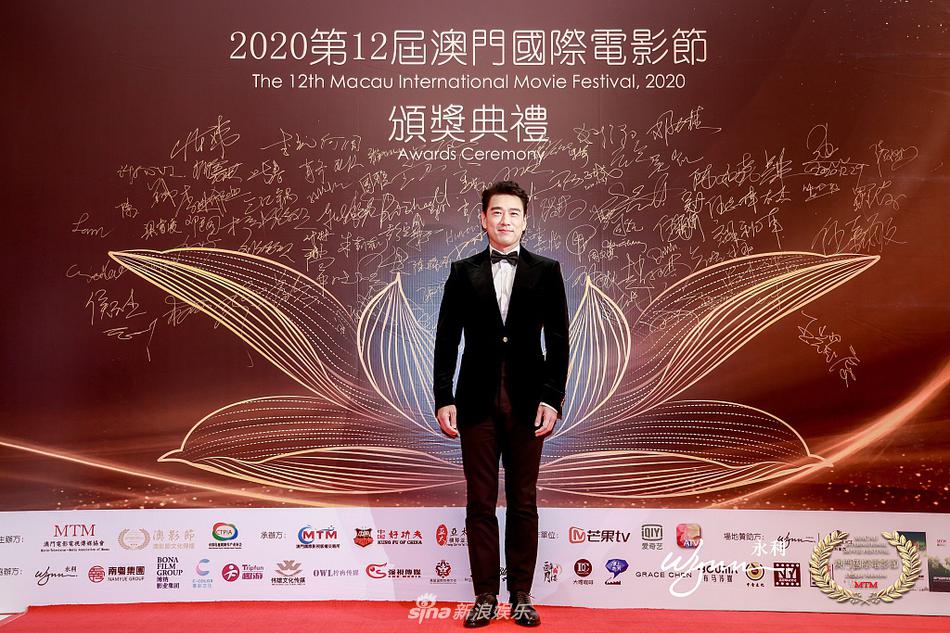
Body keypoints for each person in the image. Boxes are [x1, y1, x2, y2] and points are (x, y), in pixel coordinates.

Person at [433, 181, 570, 627]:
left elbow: (559, 342)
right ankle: (485, 595)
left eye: (513, 213)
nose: (505, 220)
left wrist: (552, 397)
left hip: (529, 405)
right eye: (496, 212)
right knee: (480, 501)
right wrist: (443, 396)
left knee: (524, 500)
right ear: (483, 219)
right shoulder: (462, 272)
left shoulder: (547, 271)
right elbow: (446, 340)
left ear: (525, 221)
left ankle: (522, 594)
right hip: (475, 404)